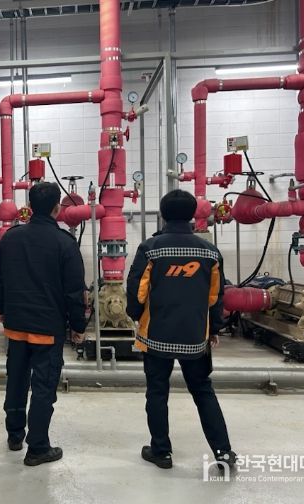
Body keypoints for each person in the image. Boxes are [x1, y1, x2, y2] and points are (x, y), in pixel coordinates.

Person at [126, 189, 235, 471]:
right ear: (192, 215)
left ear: (163, 215)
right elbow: (216, 296)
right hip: (195, 336)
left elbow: (137, 290)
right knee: (203, 391)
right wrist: (215, 328)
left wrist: (135, 315)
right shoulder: (209, 252)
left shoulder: (151, 248)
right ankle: (223, 452)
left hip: (156, 335)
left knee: (157, 392)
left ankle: (161, 451)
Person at [0, 182, 87, 466]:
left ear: (30, 207)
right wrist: (78, 326)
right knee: (44, 387)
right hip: (47, 329)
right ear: (58, 208)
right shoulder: (65, 243)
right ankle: (38, 448)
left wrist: (4, 311)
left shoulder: (11, 238)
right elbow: (74, 292)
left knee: (16, 380)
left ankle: (14, 436)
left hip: (16, 326)